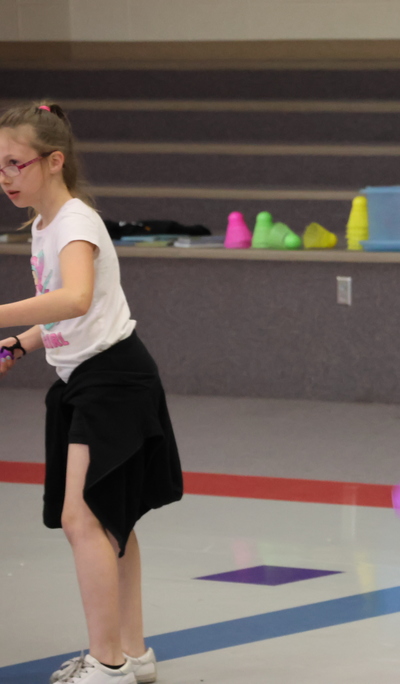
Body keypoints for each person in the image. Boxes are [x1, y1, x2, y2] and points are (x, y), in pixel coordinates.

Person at [0, 102, 182, 684]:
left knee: (86, 519)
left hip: (113, 380)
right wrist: (18, 346)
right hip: (92, 377)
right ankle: (135, 654)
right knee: (112, 521)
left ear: (53, 162)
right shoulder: (45, 226)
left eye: (14, 163)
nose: (5, 176)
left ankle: (105, 664)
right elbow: (68, 313)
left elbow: (76, 297)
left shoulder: (76, 223)